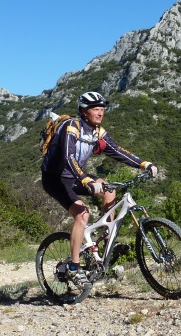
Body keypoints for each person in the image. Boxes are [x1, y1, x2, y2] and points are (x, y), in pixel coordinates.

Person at [41, 91, 157, 287]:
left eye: (102, 109)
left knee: (109, 190)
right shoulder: (72, 127)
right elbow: (69, 157)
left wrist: (143, 164)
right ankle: (74, 268)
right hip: (55, 179)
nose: (100, 113)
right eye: (96, 109)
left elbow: (117, 151)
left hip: (76, 176)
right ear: (84, 111)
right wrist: (86, 179)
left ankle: (102, 242)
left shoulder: (97, 132)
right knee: (82, 214)